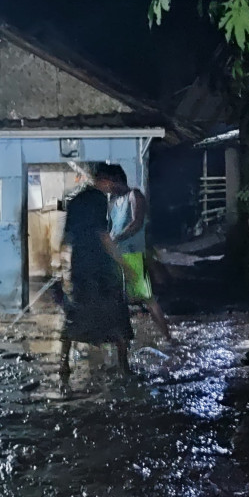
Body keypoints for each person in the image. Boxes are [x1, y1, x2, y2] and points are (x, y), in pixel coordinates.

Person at [58, 163, 135, 381]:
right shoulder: (98, 200)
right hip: (100, 269)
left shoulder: (75, 199)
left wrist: (62, 267)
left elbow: (66, 238)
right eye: (114, 183)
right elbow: (103, 235)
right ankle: (124, 367)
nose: (114, 188)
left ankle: (63, 364)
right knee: (118, 316)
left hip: (79, 267)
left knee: (75, 315)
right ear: (107, 180)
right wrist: (124, 264)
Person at [92, 163, 175, 343]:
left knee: (147, 298)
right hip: (117, 255)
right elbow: (110, 228)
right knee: (116, 298)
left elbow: (136, 223)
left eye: (104, 181)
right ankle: (117, 340)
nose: (103, 186)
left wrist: (115, 239)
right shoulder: (113, 201)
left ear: (115, 179)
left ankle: (168, 338)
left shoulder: (134, 195)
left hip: (133, 255)